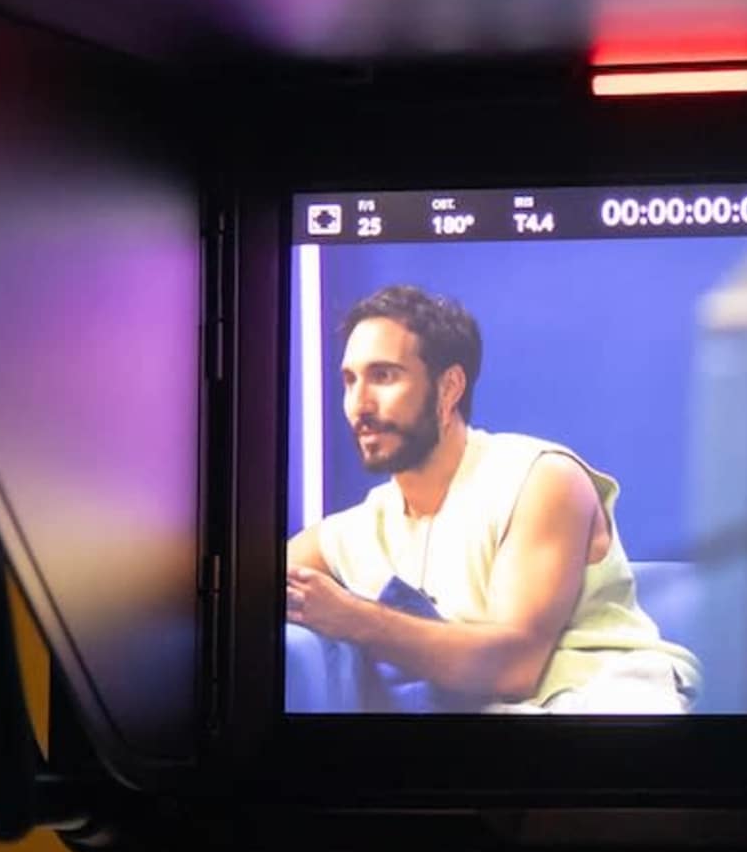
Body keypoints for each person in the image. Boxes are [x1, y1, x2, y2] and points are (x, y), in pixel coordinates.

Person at [285, 284, 700, 714]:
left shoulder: (540, 477)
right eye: (349, 380)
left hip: (604, 701)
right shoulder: (359, 529)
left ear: (449, 388)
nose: (359, 404)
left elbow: (515, 665)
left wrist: (354, 618)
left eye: (384, 376)